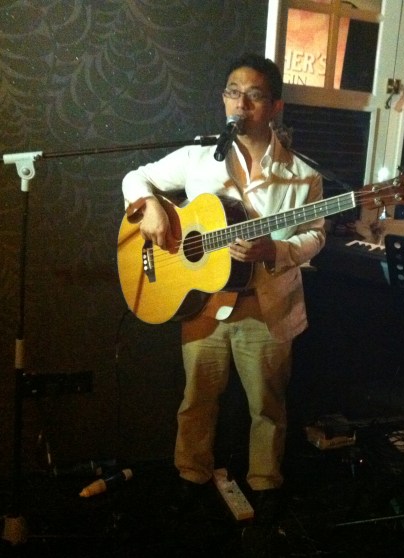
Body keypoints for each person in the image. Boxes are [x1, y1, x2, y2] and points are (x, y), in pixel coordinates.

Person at [121, 53, 326, 523]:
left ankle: (266, 483)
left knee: (267, 406)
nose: (241, 104)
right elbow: (137, 176)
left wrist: (274, 250)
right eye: (234, 93)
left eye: (254, 96)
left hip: (266, 305)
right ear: (223, 99)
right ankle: (191, 475)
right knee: (196, 398)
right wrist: (149, 206)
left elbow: (316, 235)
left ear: (274, 106)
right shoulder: (198, 158)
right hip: (202, 302)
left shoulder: (302, 173)